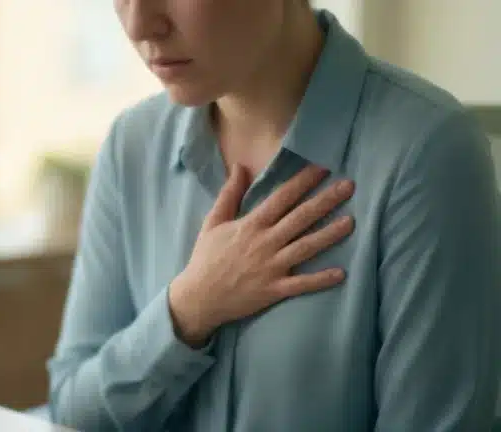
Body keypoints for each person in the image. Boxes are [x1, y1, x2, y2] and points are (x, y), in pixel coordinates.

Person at [47, 1, 501, 431]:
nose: (138, 25)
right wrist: (187, 311)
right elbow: (71, 410)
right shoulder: (132, 147)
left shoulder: (427, 154)